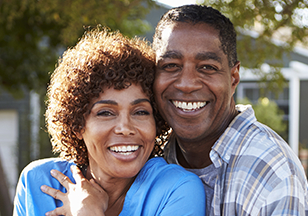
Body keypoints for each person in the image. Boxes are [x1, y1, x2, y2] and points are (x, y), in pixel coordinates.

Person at [12, 28, 206, 216]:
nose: (125, 128)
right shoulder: (38, 182)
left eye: (140, 112)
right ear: (78, 125)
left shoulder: (177, 190)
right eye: (105, 113)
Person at [152, 4, 308, 216]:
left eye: (207, 67)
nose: (187, 84)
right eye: (171, 65)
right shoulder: (147, 157)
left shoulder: (272, 173)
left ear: (234, 77)